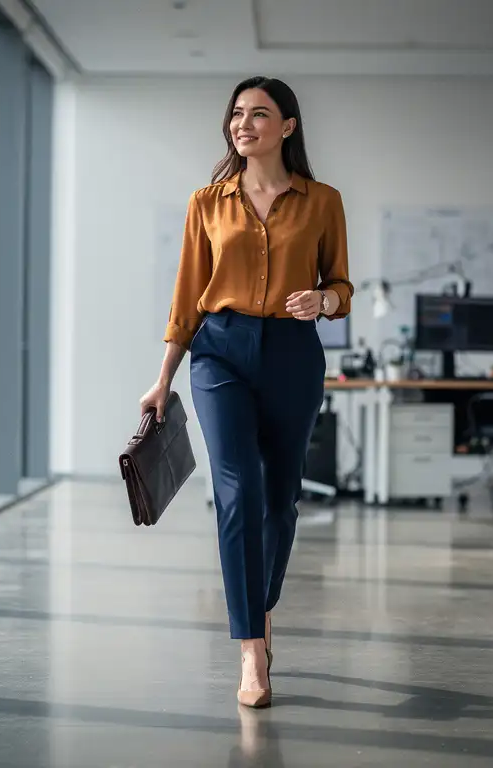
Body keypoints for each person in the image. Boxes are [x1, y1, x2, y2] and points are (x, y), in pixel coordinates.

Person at [139, 76, 353, 709]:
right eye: (237, 114)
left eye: (260, 114)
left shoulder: (322, 201)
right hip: (220, 352)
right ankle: (251, 651)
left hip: (292, 352)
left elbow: (343, 283)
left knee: (280, 500)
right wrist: (163, 379)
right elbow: (186, 299)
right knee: (237, 490)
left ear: (287, 126)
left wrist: (324, 299)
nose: (244, 124)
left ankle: (260, 608)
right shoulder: (207, 203)